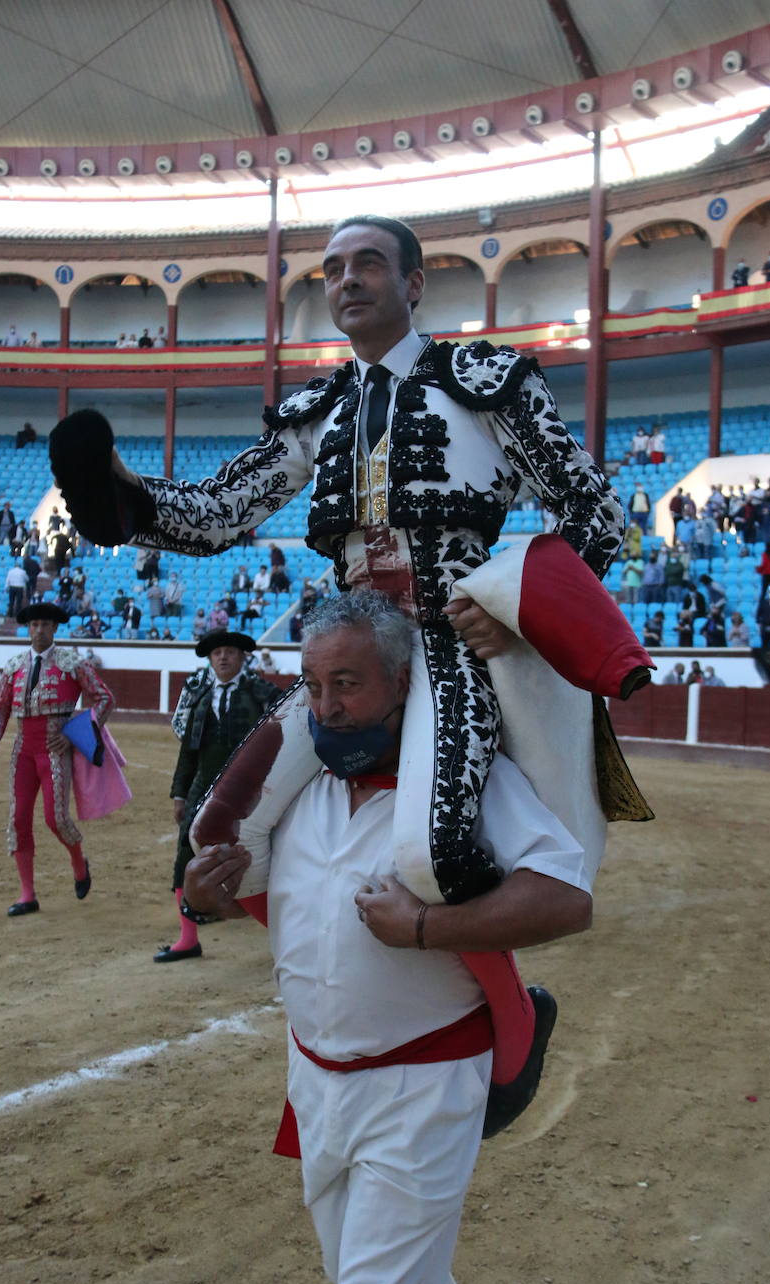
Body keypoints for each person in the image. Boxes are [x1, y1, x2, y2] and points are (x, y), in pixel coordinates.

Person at [50, 213, 648, 1118]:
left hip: (448, 650)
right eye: (332, 268)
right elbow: (219, 513)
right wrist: (122, 498)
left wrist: (518, 612)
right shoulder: (315, 414)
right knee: (224, 829)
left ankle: (512, 1020)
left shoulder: (486, 384)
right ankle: (355, 980)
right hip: (344, 661)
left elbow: (594, 515)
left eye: (369, 263)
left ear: (413, 285)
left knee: (440, 848)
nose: (347, 279)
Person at [182, 593, 592, 1284]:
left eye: (349, 682)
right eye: (313, 684)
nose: (328, 707)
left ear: (403, 682)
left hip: (423, 1089)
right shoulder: (296, 794)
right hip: (315, 1078)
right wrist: (204, 896)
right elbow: (268, 905)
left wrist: (428, 928)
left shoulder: (464, 786)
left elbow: (566, 898)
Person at [156, 631, 281, 964]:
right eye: (217, 654)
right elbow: (189, 751)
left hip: (252, 790)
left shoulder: (263, 693)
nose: (223, 658)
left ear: (242, 657)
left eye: (229, 652)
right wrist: (180, 793)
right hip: (203, 785)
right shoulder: (199, 697)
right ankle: (187, 938)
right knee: (186, 853)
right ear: (210, 660)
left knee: (268, 856)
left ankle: (282, 935)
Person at [0, 604, 114, 916]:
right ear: (29, 628)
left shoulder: (72, 663)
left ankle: (79, 862)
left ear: (55, 629)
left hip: (55, 748)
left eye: (45, 625)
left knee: (56, 819)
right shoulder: (13, 665)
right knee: (18, 818)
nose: (39, 630)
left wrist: (74, 734)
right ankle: (27, 894)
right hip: (23, 749)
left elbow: (105, 698)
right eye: (35, 624)